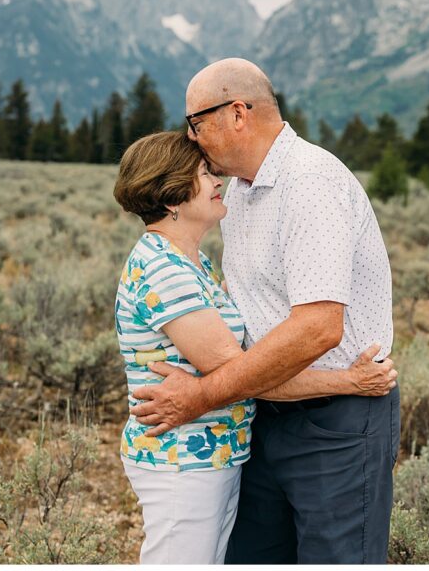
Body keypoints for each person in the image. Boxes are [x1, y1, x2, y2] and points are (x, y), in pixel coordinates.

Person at [130, 58, 398, 565]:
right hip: (261, 410)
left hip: (334, 424)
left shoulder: (310, 183)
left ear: (237, 114)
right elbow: (248, 300)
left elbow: (319, 327)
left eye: (196, 122)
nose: (190, 138)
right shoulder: (240, 193)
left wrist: (201, 395)